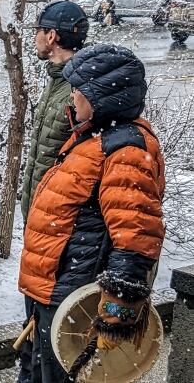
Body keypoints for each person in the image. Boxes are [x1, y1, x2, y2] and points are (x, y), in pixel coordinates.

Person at [18, 44, 165, 382]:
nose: (72, 98)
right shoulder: (94, 136)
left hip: (76, 294)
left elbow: (135, 237)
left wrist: (115, 313)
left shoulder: (125, 149)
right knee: (36, 372)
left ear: (100, 96)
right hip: (54, 288)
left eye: (78, 90)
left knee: (61, 375)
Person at [20, 0, 89, 221]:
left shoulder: (79, 89)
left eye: (38, 31)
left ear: (51, 36)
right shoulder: (58, 79)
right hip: (41, 214)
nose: (34, 38)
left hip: (56, 219)